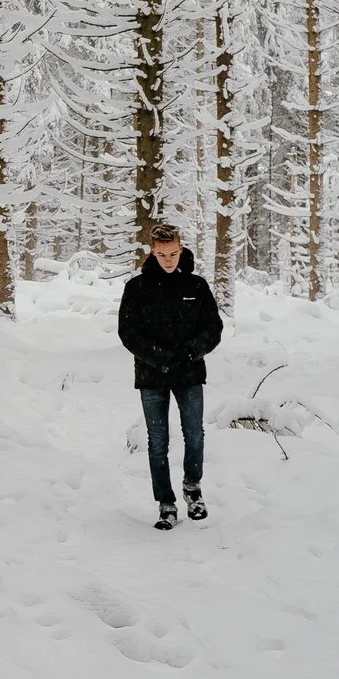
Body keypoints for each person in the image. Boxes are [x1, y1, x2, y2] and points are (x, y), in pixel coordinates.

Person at [118, 222, 223, 530]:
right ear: (152, 251)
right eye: (162, 254)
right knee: (157, 441)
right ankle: (166, 503)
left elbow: (213, 329)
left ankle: (193, 489)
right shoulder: (136, 288)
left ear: (182, 248)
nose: (168, 260)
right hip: (152, 375)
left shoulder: (197, 286)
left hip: (190, 374)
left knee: (195, 434)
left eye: (173, 253)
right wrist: (161, 358)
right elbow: (128, 332)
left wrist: (189, 353)